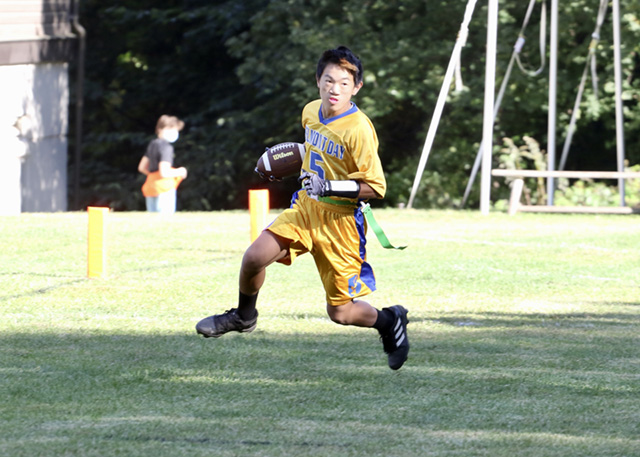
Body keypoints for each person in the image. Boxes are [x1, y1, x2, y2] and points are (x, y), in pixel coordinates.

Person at [196, 46, 409, 370]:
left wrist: (329, 186)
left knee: (341, 313)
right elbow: (315, 152)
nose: (334, 89)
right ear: (317, 80)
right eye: (329, 80)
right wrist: (286, 163)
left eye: (344, 83)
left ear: (356, 87)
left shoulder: (359, 129)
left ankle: (389, 321)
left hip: (340, 223)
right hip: (307, 208)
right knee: (254, 257)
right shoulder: (310, 111)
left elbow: (376, 187)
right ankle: (243, 316)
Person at [138, 115, 188, 213]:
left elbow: (141, 167)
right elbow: (164, 172)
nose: (173, 132)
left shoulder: (152, 144)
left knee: (153, 220)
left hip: (151, 187)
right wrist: (181, 171)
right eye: (170, 129)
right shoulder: (166, 147)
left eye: (175, 130)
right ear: (160, 129)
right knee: (165, 219)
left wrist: (154, 176)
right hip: (164, 188)